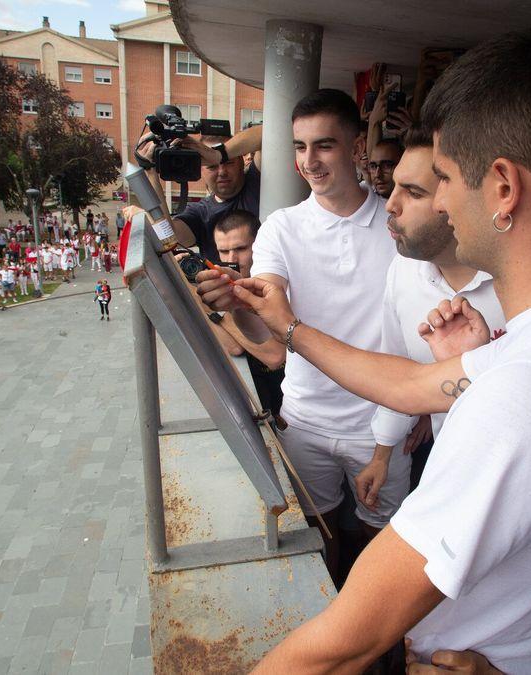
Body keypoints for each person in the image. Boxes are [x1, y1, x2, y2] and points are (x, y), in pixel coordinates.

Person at [204, 29, 531, 673]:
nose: (432, 201)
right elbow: (410, 387)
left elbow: (341, 648)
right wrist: (291, 328)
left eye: (440, 179)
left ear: (503, 190)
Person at [194, 88, 405, 580]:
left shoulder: (396, 228)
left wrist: (411, 409)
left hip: (381, 426)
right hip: (305, 419)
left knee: (383, 549)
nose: (309, 161)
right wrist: (237, 304)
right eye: (299, 147)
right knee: (320, 542)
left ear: (355, 148)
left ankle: (380, 652)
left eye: (324, 145)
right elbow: (269, 319)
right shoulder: (281, 228)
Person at [363, 126, 505, 503]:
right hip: (446, 477)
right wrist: (382, 456)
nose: (390, 205)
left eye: (413, 192)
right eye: (395, 186)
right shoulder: (404, 269)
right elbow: (397, 367)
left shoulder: (520, 288)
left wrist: (291, 329)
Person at [140, 124, 264, 263]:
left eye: (228, 162)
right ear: (200, 170)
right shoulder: (200, 213)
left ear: (241, 162)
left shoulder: (259, 180)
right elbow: (170, 236)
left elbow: (268, 132)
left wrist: (217, 154)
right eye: (212, 165)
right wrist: (150, 172)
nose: (222, 172)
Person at [209, 210, 287, 416]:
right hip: (265, 403)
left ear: (259, 244)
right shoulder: (223, 285)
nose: (232, 259)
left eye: (241, 249)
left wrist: (216, 313)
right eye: (223, 251)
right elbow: (234, 346)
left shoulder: (277, 283)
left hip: (291, 407)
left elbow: (274, 355)